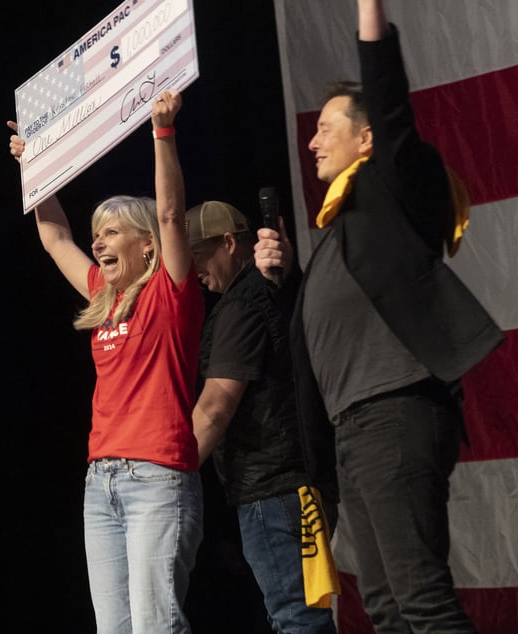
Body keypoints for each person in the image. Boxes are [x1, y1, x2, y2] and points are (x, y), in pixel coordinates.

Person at [253, 1, 505, 632]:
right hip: (353, 429)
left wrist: (369, 10)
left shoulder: (392, 190)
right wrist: (286, 285)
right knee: (388, 608)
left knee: (419, 598)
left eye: (326, 128)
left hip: (394, 410)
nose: (312, 139)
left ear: (367, 140)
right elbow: (320, 336)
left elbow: (390, 100)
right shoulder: (343, 231)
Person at [7, 89, 205, 633]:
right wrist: (36, 168)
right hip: (103, 484)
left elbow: (171, 213)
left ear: (147, 246)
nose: (98, 244)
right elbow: (54, 236)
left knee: (154, 626)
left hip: (157, 479)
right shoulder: (102, 295)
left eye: (112, 232)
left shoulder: (172, 292)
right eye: (98, 234)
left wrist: (162, 133)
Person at [188, 200, 338, 634]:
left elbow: (216, 406)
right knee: (299, 613)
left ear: (230, 243)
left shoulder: (242, 305)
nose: (193, 270)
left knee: (295, 617)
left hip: (273, 491)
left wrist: (171, 473)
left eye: (197, 254)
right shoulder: (273, 292)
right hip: (300, 484)